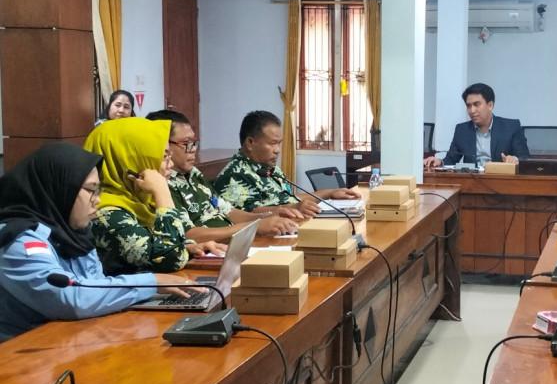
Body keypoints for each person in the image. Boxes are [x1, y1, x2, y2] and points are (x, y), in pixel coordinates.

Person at [0, 143, 203, 341]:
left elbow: (95, 285)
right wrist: (151, 283)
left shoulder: (73, 232)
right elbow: (70, 298)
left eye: (99, 191)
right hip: (23, 352)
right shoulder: (18, 239)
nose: (97, 200)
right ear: (59, 188)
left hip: (72, 338)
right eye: (91, 190)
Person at [85, 117, 225, 276]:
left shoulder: (141, 200)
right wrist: (162, 192)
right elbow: (170, 259)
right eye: (164, 157)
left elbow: (160, 246)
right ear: (131, 161)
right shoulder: (105, 214)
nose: (171, 165)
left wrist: (189, 247)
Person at [145, 110, 300, 242]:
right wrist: (254, 227)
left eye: (194, 143)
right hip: (206, 253)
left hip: (231, 243)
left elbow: (228, 211)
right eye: (186, 143)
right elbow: (187, 235)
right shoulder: (160, 182)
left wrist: (269, 216)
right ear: (163, 145)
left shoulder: (193, 173)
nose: (193, 149)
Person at [214, 110, 360, 218]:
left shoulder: (269, 168)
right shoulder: (234, 175)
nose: (277, 150)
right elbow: (246, 214)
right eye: (272, 143)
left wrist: (330, 193)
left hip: (289, 226)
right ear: (250, 142)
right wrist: (294, 207)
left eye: (279, 143)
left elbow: (290, 199)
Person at [423, 83, 529, 168]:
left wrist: (515, 159)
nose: (472, 110)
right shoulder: (462, 130)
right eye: (468, 106)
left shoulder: (511, 127)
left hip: (502, 182)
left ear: (490, 105)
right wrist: (439, 162)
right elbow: (450, 160)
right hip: (472, 182)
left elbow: (525, 159)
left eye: (477, 104)